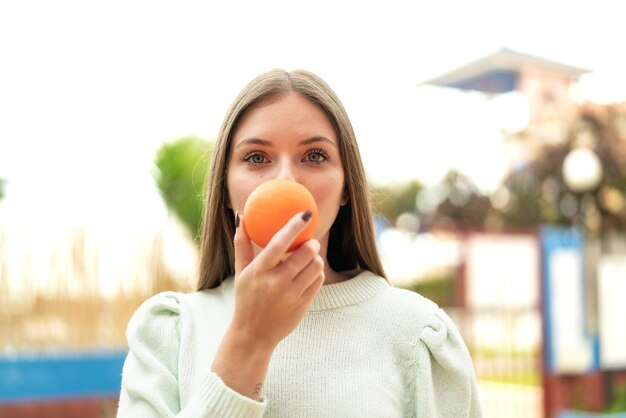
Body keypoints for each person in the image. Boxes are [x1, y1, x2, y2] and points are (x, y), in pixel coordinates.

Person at [117, 69, 482, 417]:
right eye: (256, 157)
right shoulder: (170, 332)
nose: (286, 180)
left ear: (345, 189)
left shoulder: (417, 334)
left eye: (315, 156)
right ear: (225, 190)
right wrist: (249, 340)